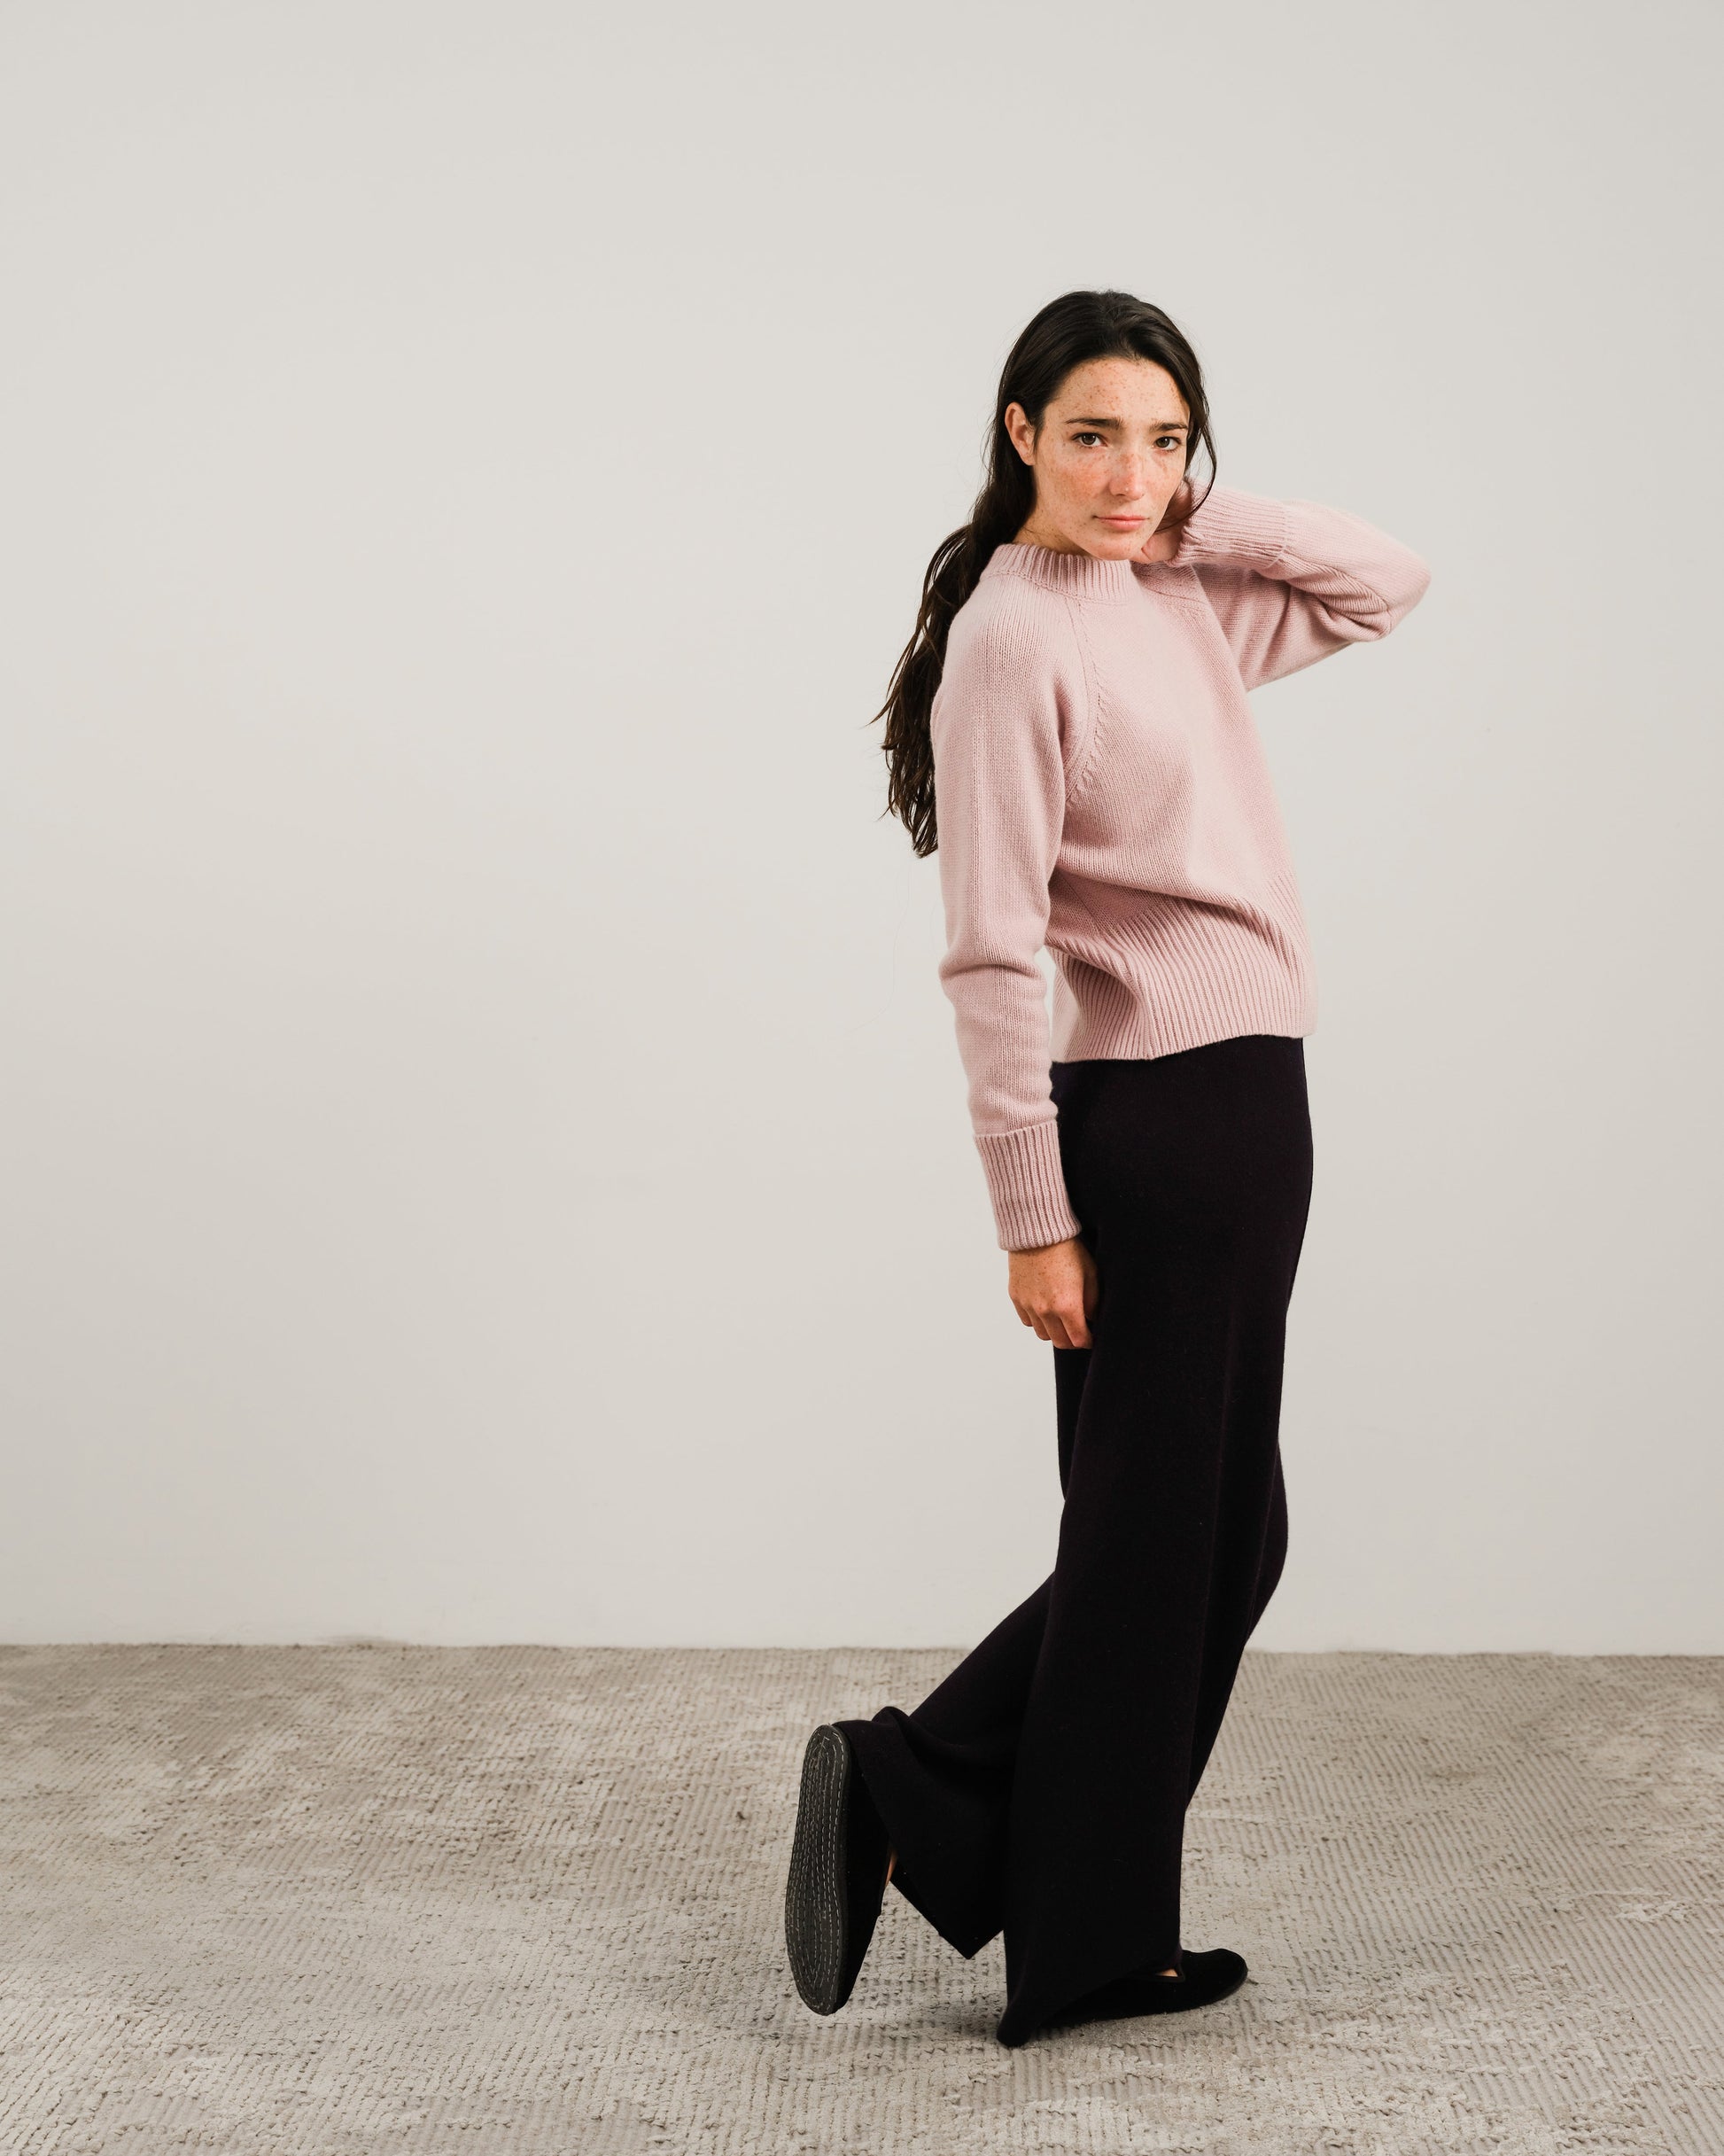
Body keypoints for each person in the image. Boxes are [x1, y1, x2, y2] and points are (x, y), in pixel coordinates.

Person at [781, 289, 1431, 2048]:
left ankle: (974, 1831)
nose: (1130, 473)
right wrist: (1030, 1213)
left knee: (1207, 1530)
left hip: (1243, 1097)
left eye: (1162, 438)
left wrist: (1190, 514)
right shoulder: (1015, 638)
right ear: (1018, 435)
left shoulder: (1173, 595)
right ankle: (989, 1853)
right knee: (1164, 1534)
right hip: (1157, 1117)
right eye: (1090, 437)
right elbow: (991, 949)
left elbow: (1385, 581)